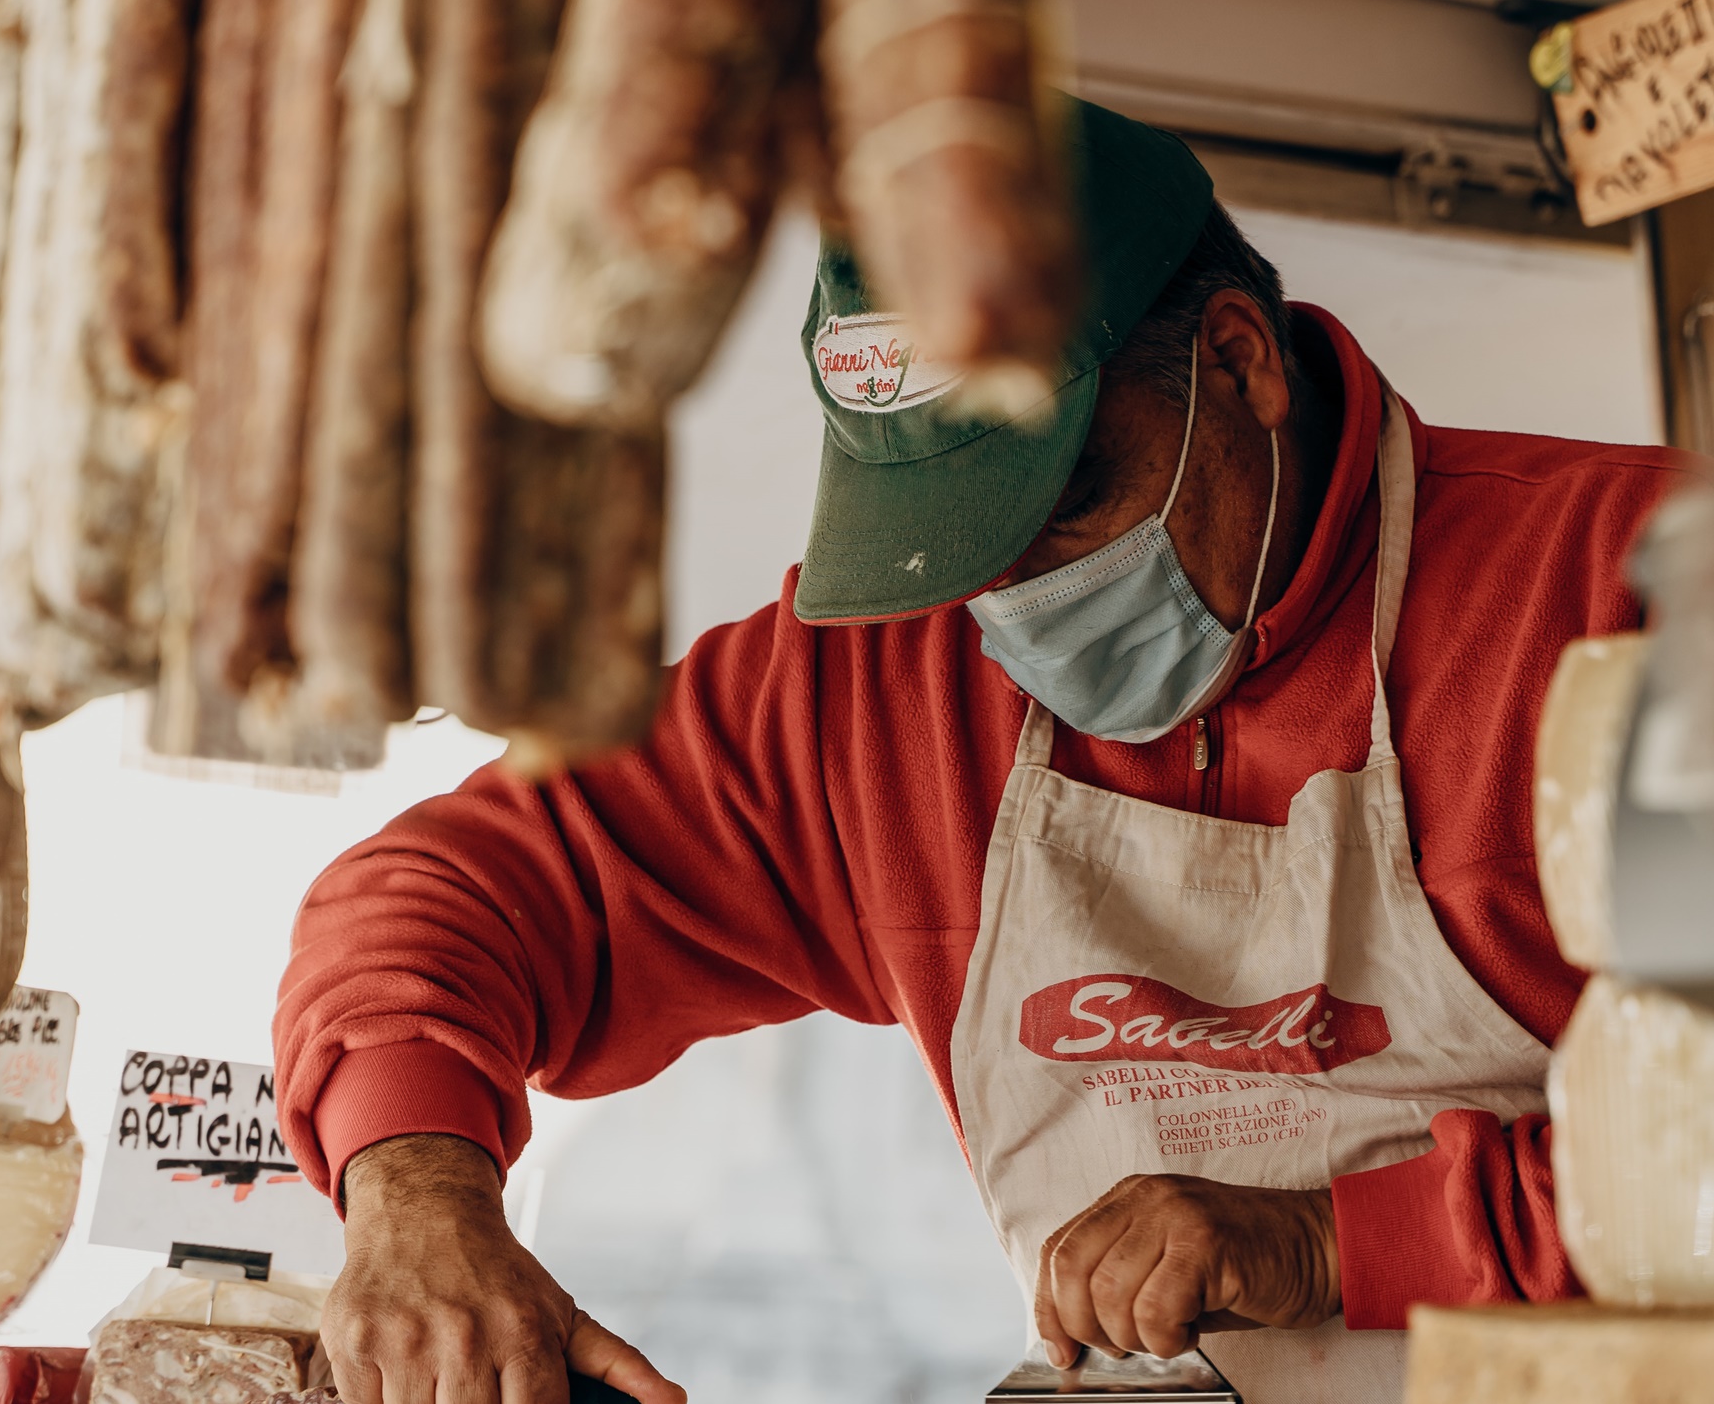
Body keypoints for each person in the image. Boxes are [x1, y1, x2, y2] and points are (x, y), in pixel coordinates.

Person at [274, 97, 1676, 1404]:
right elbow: (445, 890)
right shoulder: (884, 688)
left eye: (1059, 508)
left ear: (1238, 364)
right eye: (951, 549)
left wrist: (1332, 1241)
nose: (1005, 603)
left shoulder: (1639, 593)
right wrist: (415, 1191)